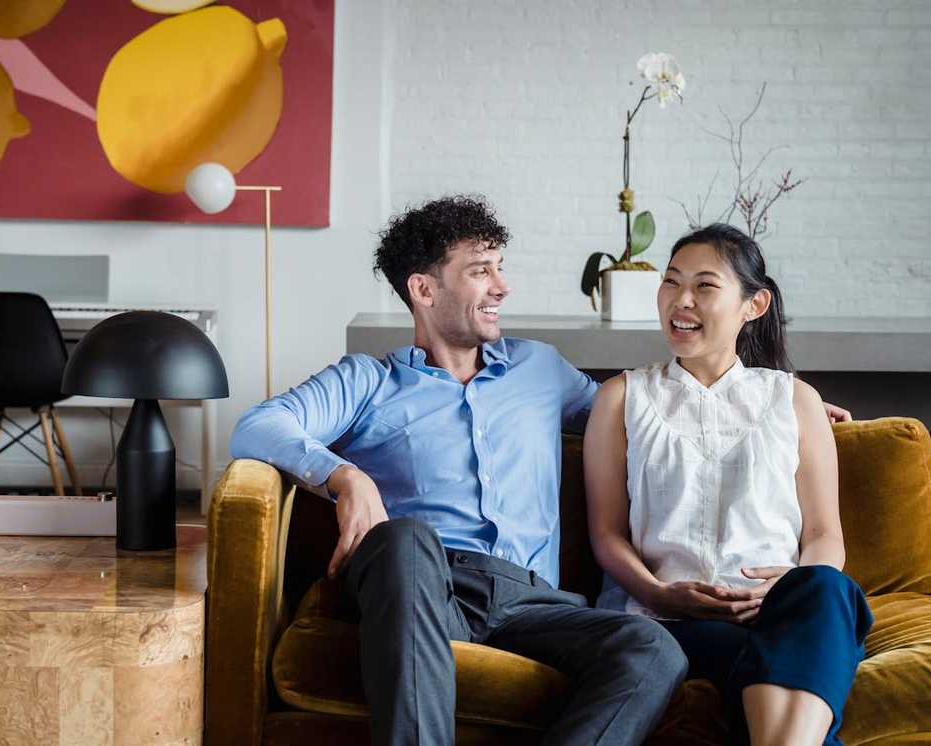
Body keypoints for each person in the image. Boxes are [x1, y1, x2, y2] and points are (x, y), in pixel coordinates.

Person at [231, 195, 688, 746]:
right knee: (404, 538)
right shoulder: (368, 381)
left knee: (652, 648)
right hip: (421, 588)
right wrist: (346, 476)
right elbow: (257, 426)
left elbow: (643, 419)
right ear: (423, 290)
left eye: (500, 267)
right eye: (480, 271)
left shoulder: (540, 369)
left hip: (533, 605)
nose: (502, 286)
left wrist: (767, 403)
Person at [584, 223, 873, 746]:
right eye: (671, 282)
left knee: (830, 589)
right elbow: (606, 534)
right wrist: (661, 594)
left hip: (782, 611)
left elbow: (824, 535)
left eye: (705, 285)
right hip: (666, 620)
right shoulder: (621, 397)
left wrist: (785, 589)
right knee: (791, 672)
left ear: (753, 305)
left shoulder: (795, 399)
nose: (681, 300)